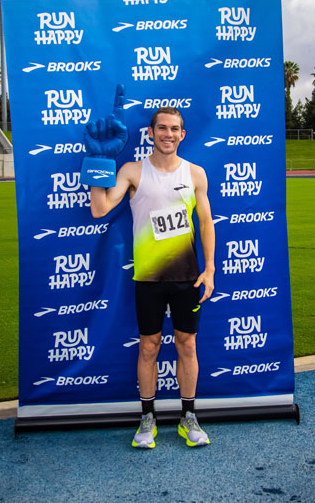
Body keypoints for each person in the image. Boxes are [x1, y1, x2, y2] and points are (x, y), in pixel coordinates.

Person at [87, 92, 215, 449]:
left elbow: (206, 223)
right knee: (149, 347)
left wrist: (211, 270)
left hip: (188, 278)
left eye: (175, 129)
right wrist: (98, 159)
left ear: (182, 134)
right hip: (148, 280)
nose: (168, 134)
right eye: (162, 128)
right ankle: (147, 418)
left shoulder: (196, 173)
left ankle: (188, 417)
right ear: (151, 132)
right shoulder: (132, 171)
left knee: (187, 345)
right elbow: (99, 209)